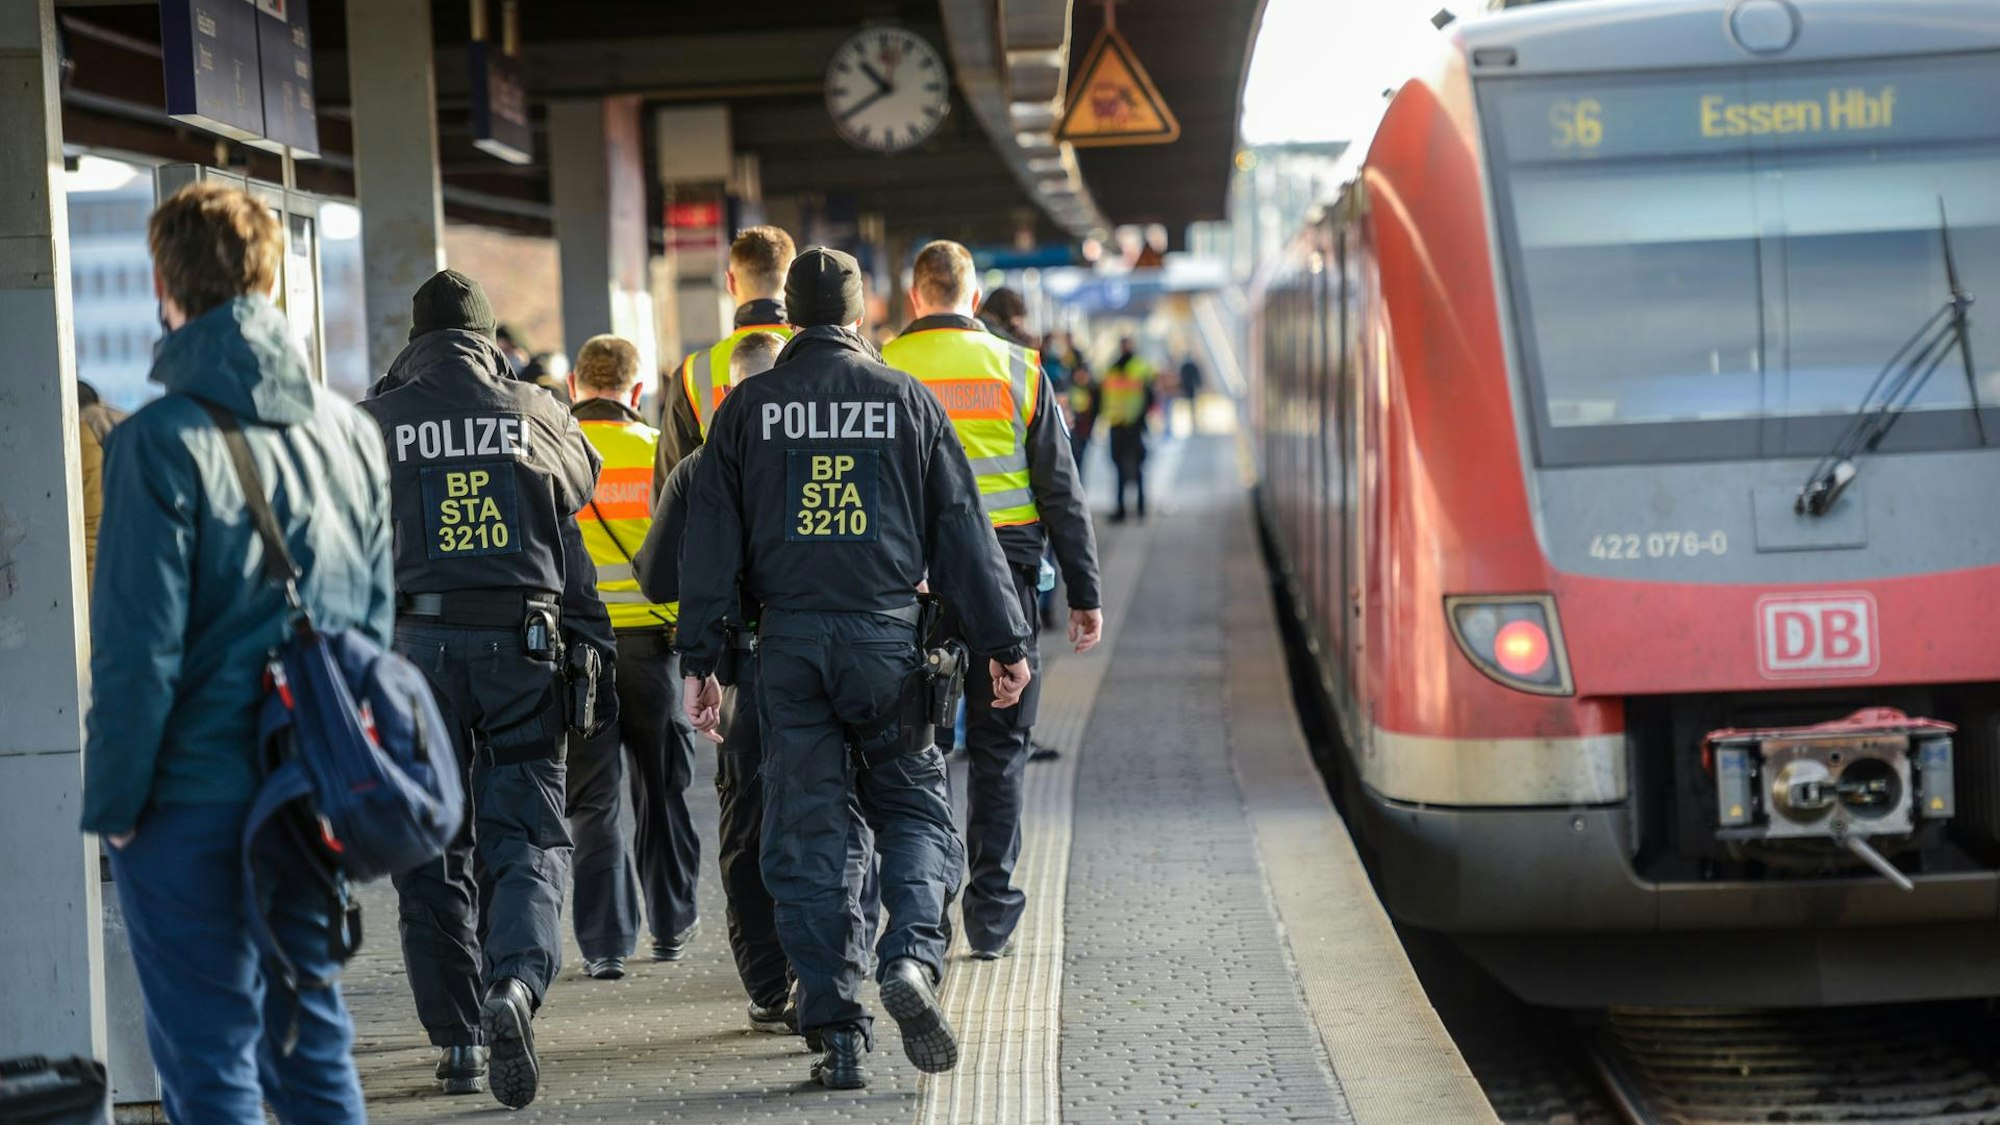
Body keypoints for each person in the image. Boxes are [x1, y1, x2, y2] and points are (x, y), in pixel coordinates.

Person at [677, 248, 1034, 1089]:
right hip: (887, 644)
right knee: (913, 810)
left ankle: (837, 1028)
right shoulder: (905, 400)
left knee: (809, 836)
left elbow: (709, 545)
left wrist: (704, 660)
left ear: (789, 315)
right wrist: (1005, 643)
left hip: (789, 652)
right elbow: (961, 529)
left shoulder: (746, 408)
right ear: (861, 314)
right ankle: (910, 955)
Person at [81, 181, 391, 1124]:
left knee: (211, 1062)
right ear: (269, 277)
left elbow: (139, 652)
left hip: (191, 802)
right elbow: (373, 631)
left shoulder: (157, 442)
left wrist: (116, 807)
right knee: (311, 1043)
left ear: (165, 284)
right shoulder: (350, 432)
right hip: (304, 793)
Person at [358, 269, 608, 1109]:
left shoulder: (373, 421)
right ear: (489, 338)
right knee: (527, 830)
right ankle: (515, 986)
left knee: (428, 841)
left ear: (414, 341)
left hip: (411, 650)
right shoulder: (537, 411)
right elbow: (582, 485)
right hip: (522, 647)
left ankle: (461, 1037)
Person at [882, 241, 1103, 959]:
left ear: (916, 297)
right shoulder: (1020, 369)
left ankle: (926, 903)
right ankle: (994, 912)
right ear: (972, 299)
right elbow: (1062, 493)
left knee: (922, 747)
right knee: (1001, 744)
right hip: (1006, 577)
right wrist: (1084, 590)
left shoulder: (882, 368)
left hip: (913, 580)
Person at [632, 329, 798, 1033]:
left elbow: (656, 575)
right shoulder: (824, 450)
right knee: (832, 822)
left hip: (747, 671)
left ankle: (767, 984)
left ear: (724, 393)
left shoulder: (700, 464)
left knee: (746, 823)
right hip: (835, 661)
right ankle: (829, 976)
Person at [566, 334, 702, 974]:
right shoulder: (659, 452)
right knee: (663, 792)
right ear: (637, 391)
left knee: (593, 800)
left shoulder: (554, 452)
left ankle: (603, 945)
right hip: (655, 652)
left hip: (580, 656)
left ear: (573, 386)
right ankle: (671, 925)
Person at [657, 226, 798, 483]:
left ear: (730, 282)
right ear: (790, 284)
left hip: (725, 520)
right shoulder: (817, 354)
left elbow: (672, 486)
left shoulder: (694, 371)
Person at [1101, 339, 1156, 522]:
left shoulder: (1129, 368)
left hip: (1127, 426)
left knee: (1131, 468)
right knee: (1125, 468)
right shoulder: (1118, 368)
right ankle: (1129, 508)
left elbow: (1149, 395)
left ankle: (1133, 507)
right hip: (1124, 425)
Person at [1178, 352, 1205, 434]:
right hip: (1191, 387)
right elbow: (1197, 376)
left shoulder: (1185, 366)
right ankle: (1193, 421)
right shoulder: (1191, 366)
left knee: (1191, 405)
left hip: (1187, 387)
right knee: (1192, 405)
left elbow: (1181, 376)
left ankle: (1193, 421)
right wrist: (1199, 384)